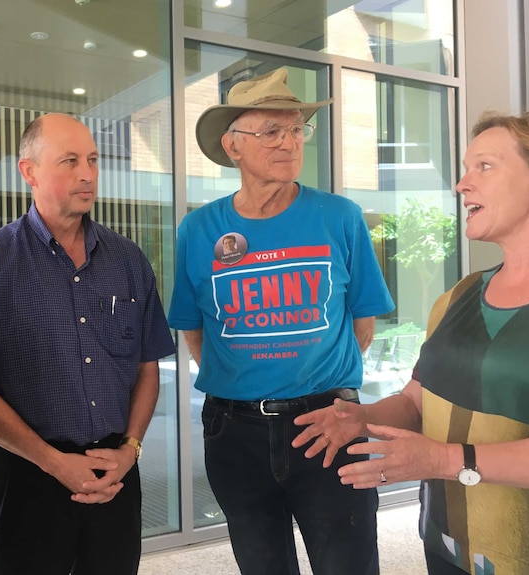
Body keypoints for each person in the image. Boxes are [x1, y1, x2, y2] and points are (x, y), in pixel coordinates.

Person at [293, 108, 529, 575]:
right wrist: (363, 417)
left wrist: (444, 459)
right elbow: (420, 398)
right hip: (447, 547)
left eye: (485, 166)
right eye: (465, 168)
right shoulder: (456, 297)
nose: (462, 184)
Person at [168, 67, 394, 575]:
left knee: (349, 564)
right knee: (261, 564)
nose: (290, 142)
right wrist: (245, 382)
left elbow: (361, 322)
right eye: (272, 131)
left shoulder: (340, 216)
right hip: (234, 432)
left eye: (296, 129)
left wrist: (323, 388)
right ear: (233, 147)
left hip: (328, 424)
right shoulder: (199, 230)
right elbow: (195, 328)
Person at [0, 112, 175, 575]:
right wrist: (51, 461)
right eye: (69, 161)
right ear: (29, 172)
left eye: (92, 159)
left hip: (114, 471)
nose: (87, 173)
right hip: (24, 473)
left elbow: (147, 365)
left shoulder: (127, 261)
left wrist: (130, 449)